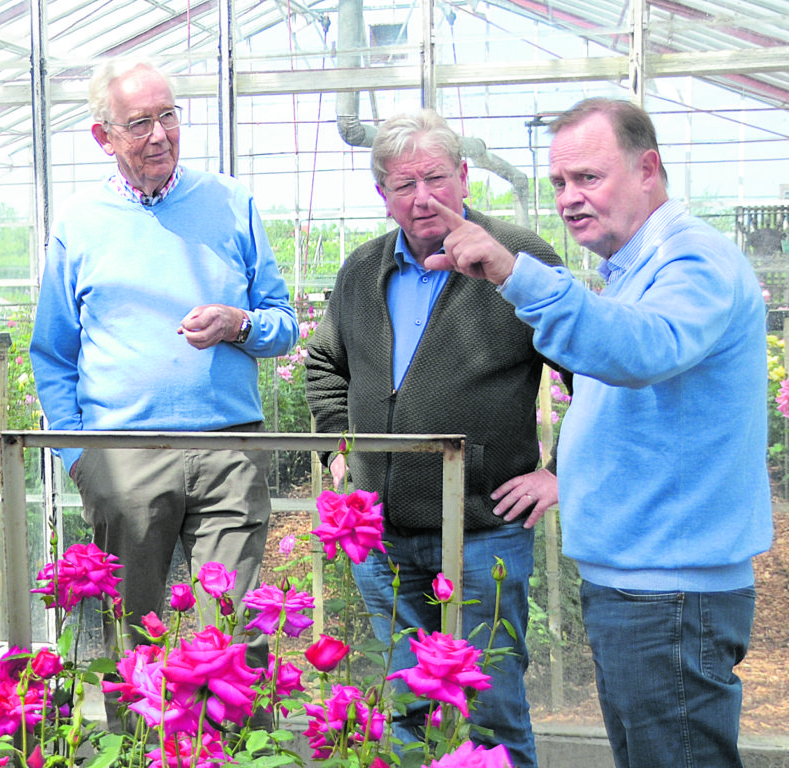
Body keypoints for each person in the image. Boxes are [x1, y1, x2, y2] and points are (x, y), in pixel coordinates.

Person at [434, 97, 772, 768]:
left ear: (648, 168)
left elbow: (642, 350)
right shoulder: (635, 269)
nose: (568, 198)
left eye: (588, 177)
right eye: (559, 182)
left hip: (671, 592)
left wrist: (514, 271)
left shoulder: (693, 261)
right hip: (642, 583)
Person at [305, 109, 568, 767]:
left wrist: (561, 472)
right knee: (405, 710)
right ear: (382, 194)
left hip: (481, 529)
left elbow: (592, 368)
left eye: (435, 178)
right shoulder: (364, 270)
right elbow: (324, 364)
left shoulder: (518, 259)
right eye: (403, 184)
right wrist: (340, 455)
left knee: (491, 709)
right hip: (381, 536)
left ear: (464, 177)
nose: (422, 198)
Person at [30, 59, 298, 678]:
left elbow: (282, 322)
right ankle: (136, 751)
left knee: (234, 631)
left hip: (230, 448)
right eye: (140, 123)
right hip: (123, 454)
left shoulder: (231, 203)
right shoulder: (80, 222)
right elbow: (52, 352)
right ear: (104, 137)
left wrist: (239, 324)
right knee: (133, 636)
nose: (160, 135)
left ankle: (229, 750)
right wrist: (82, 457)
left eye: (169, 116)